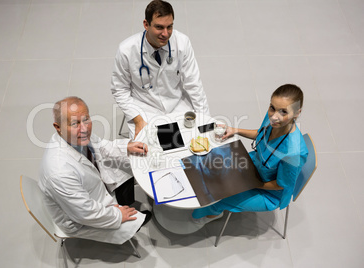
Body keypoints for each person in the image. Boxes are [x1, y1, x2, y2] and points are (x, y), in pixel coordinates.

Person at [38, 96, 151, 245]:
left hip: (88, 190)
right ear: (57, 127)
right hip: (79, 218)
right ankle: (128, 214)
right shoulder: (59, 171)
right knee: (131, 220)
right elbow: (84, 213)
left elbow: (101, 147)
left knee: (126, 166)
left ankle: (126, 202)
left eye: (86, 119)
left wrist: (126, 148)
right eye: (74, 123)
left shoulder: (75, 136)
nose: (84, 129)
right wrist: (117, 215)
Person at [192, 84, 309, 225]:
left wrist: (251, 183)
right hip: (254, 165)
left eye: (284, 112)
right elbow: (261, 134)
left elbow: (280, 185)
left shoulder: (293, 153)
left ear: (297, 113)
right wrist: (235, 130)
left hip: (268, 192)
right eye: (272, 108)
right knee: (211, 167)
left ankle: (211, 214)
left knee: (220, 197)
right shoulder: (273, 119)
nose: (274, 117)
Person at [111, 0, 210, 138]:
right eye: (159, 27)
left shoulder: (182, 43)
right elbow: (119, 90)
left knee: (192, 145)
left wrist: (206, 122)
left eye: (169, 27)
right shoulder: (126, 50)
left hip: (176, 105)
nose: (166, 34)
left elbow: (194, 85)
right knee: (152, 152)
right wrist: (138, 120)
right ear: (146, 24)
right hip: (144, 108)